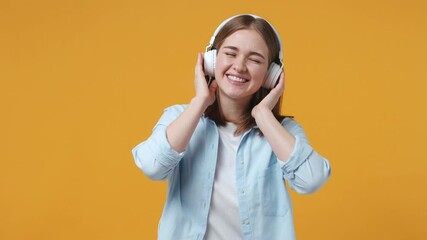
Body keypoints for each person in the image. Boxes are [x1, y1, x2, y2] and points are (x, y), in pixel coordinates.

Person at [132, 14, 331, 240]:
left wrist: (263, 115)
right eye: (230, 53)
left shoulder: (283, 131)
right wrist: (200, 102)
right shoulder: (180, 117)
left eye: (255, 60)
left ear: (271, 74)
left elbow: (311, 180)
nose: (239, 66)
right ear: (211, 60)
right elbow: (152, 166)